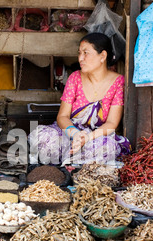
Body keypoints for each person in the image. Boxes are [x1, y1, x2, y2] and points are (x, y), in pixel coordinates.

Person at [28, 32, 131, 165]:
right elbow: (62, 117)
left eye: (85, 53)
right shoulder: (75, 78)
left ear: (103, 56)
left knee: (105, 148)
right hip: (70, 134)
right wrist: (76, 135)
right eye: (79, 53)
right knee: (43, 138)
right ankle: (70, 163)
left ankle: (70, 164)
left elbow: (111, 123)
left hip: (97, 137)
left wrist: (87, 138)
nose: (80, 58)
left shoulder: (118, 82)